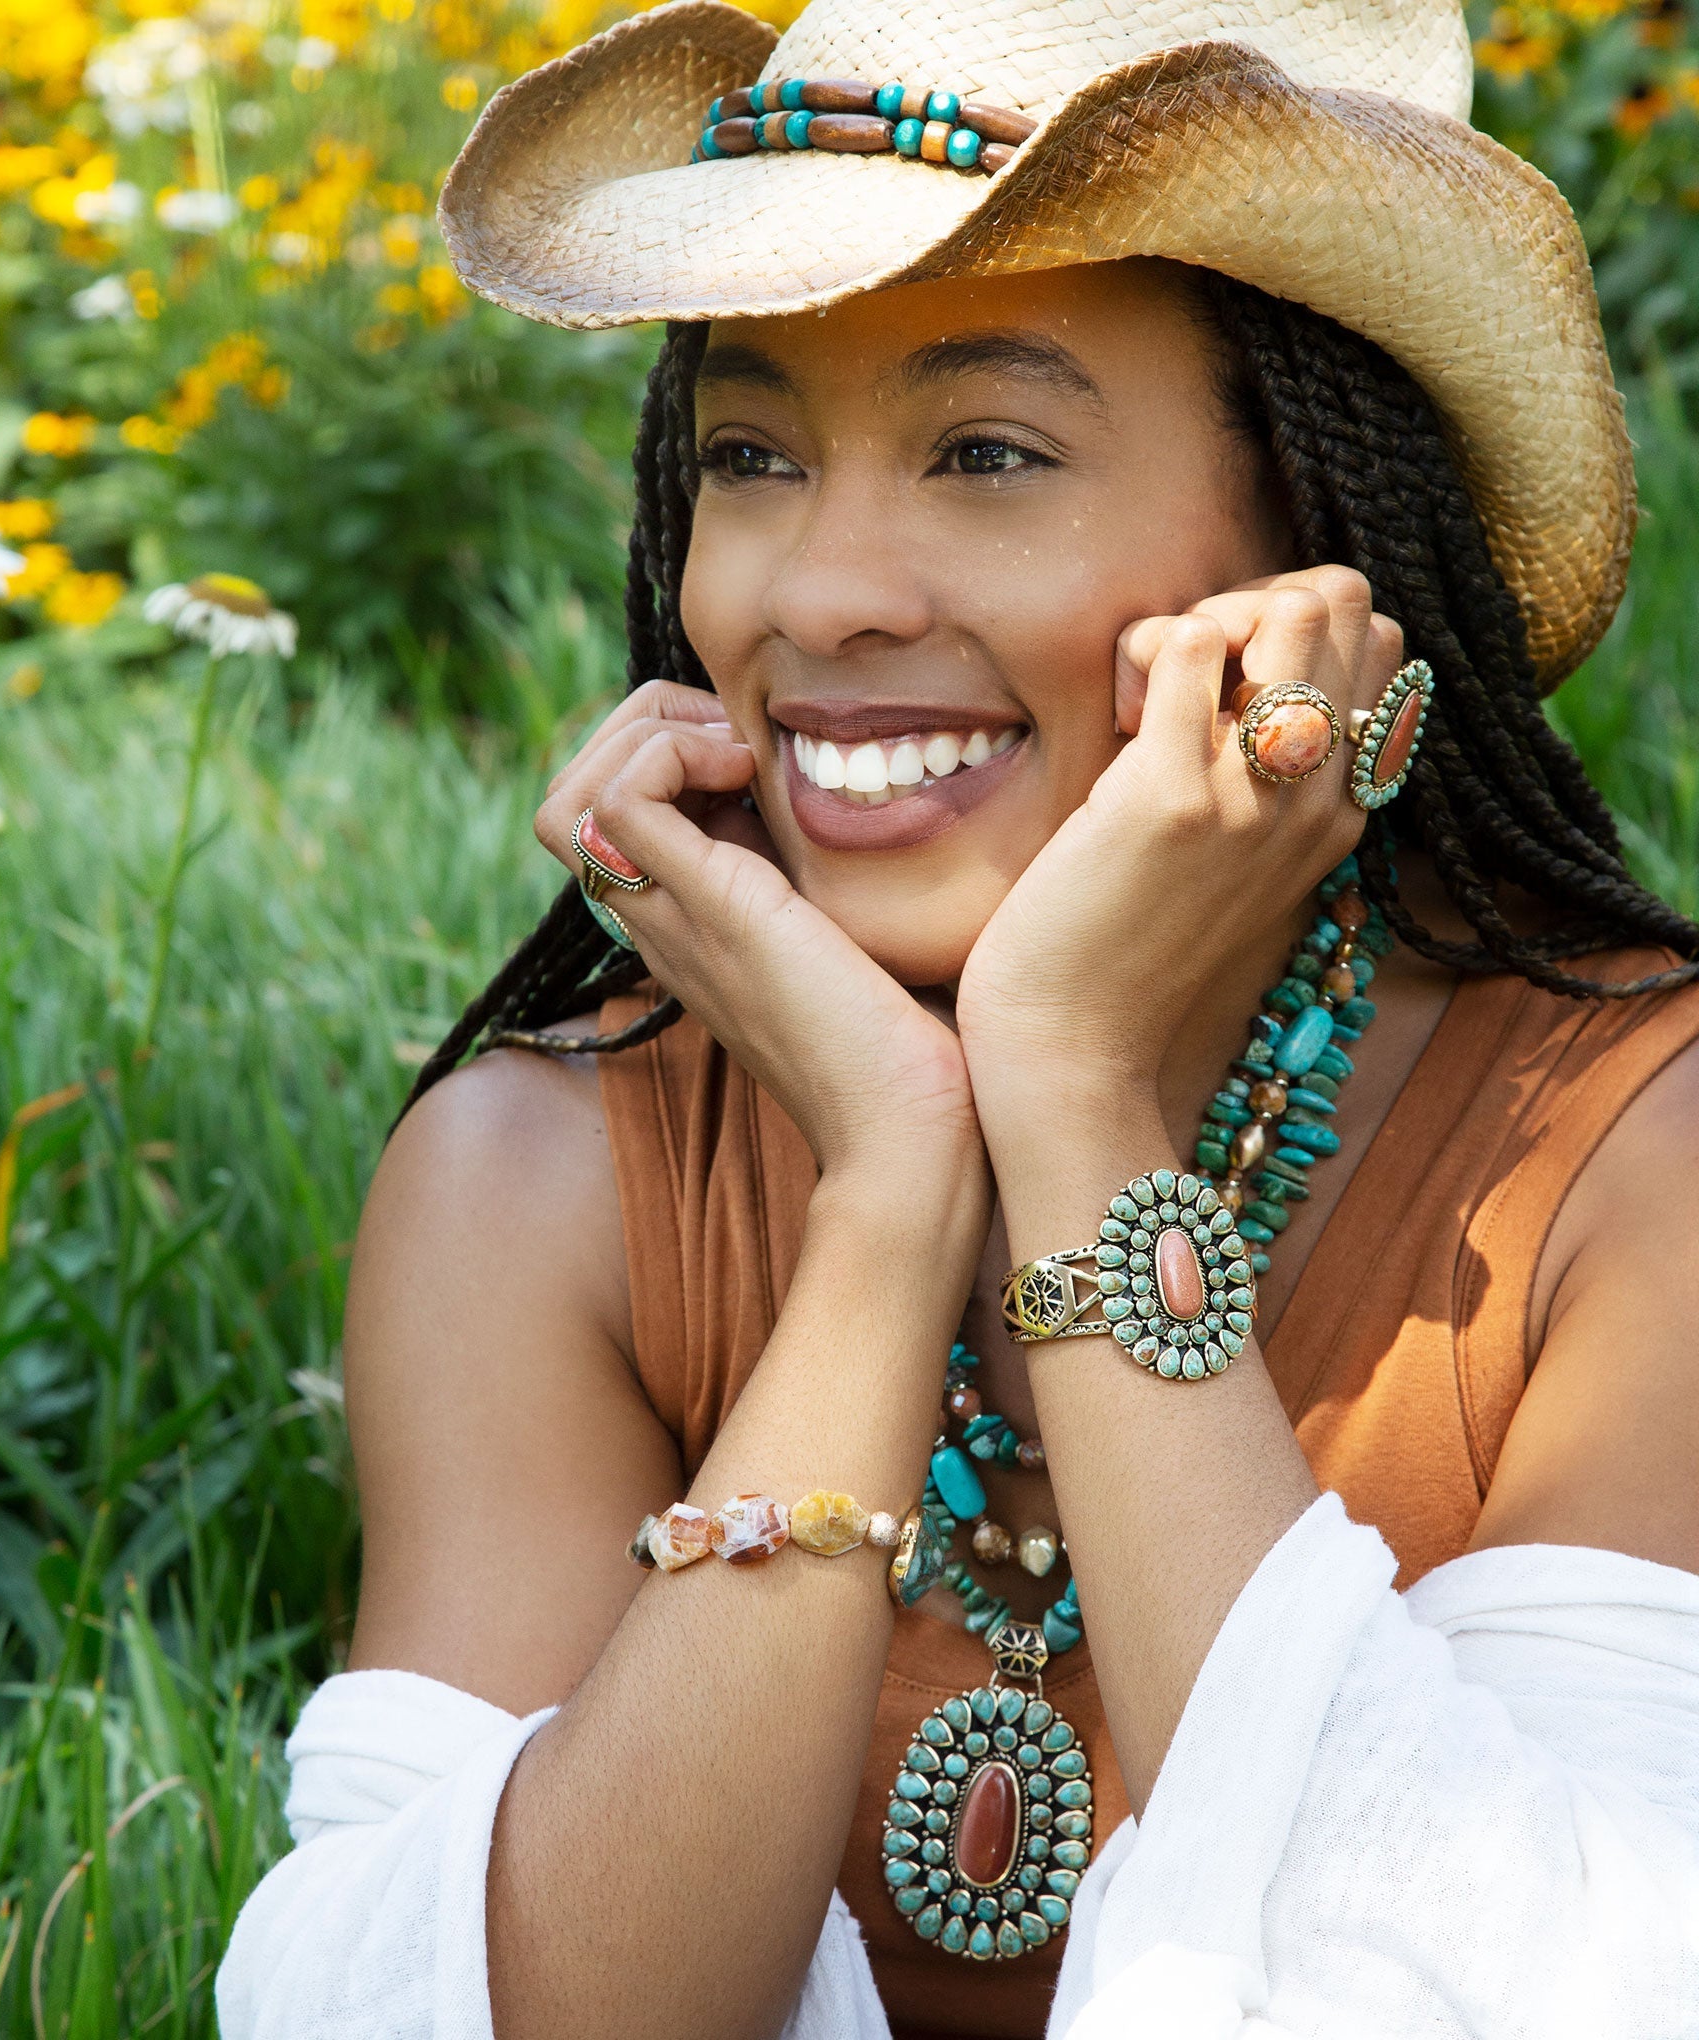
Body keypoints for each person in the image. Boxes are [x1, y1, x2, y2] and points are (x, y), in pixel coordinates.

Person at [217, 3, 1699, 2037]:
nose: (815, 595)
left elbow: (1523, 1998)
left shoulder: (1627, 1159)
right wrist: (888, 1190)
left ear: (1309, 555)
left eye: (987, 452)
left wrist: (1074, 1087)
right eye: (750, 456)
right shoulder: (536, 1177)